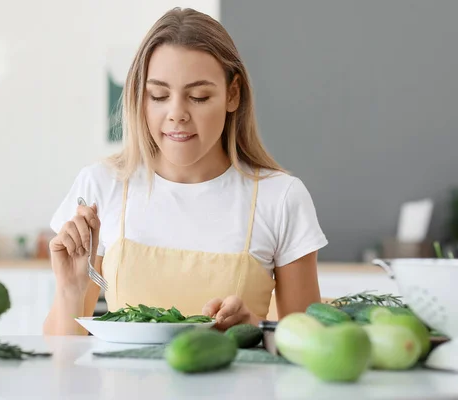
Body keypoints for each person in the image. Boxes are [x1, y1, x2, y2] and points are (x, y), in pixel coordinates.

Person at [43, 7, 327, 336]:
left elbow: (311, 350)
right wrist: (70, 291)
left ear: (232, 94)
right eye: (159, 95)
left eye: (198, 96)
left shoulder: (281, 198)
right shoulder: (102, 184)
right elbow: (61, 359)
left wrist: (253, 330)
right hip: (124, 388)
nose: (177, 113)